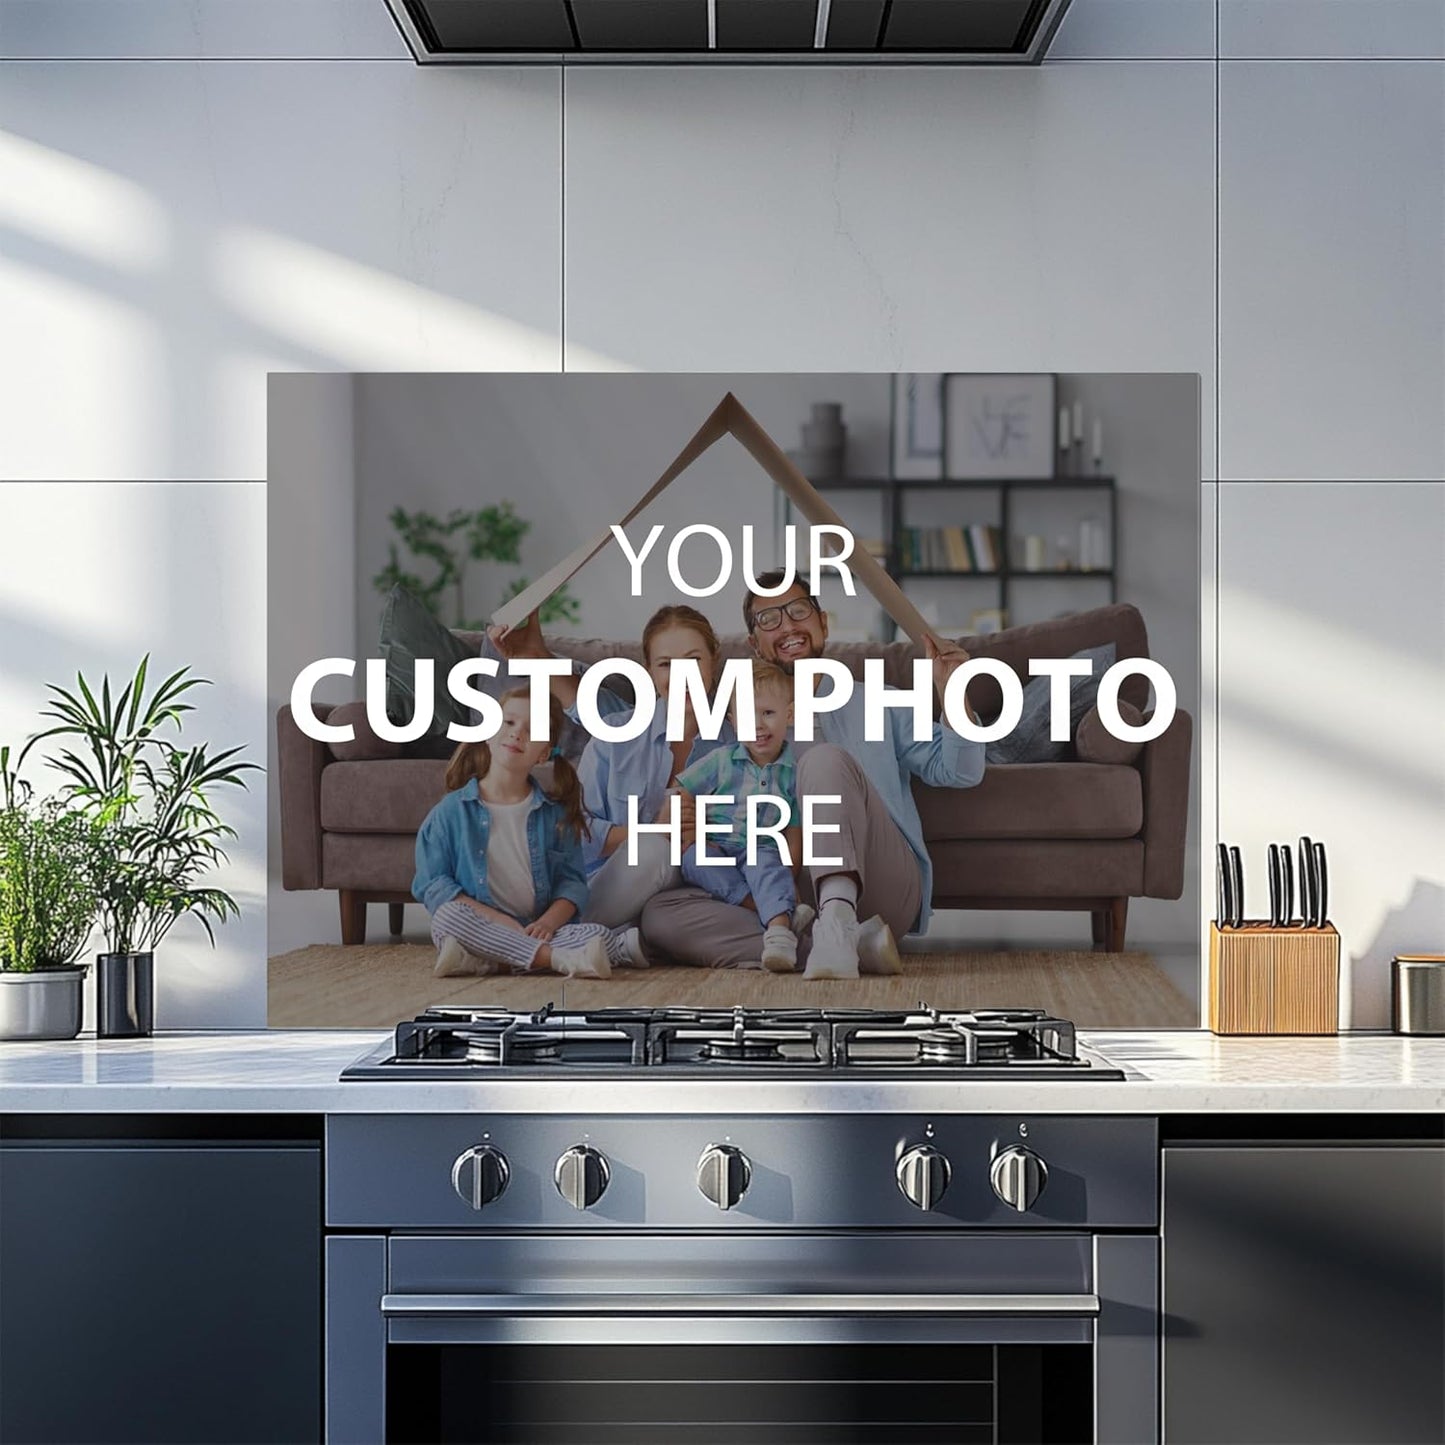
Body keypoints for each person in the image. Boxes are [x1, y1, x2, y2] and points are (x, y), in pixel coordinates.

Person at [641, 571, 986, 980]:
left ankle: (839, 921)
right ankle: (843, 947)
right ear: (754, 644)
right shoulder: (738, 719)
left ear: (823, 623)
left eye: (798, 611)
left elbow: (960, 772)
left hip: (877, 882)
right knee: (660, 917)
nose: (787, 626)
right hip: (782, 893)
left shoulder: (877, 700)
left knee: (823, 760)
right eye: (769, 619)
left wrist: (954, 690)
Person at [487, 604, 732, 956]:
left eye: (693, 661)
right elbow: (575, 832)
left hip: (685, 897)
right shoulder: (616, 734)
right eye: (666, 664)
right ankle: (565, 939)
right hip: (605, 886)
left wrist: (705, 834)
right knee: (652, 849)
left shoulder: (738, 749)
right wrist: (653, 831)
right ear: (649, 670)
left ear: (713, 662)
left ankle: (556, 943)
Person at [413, 687, 620, 979]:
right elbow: (433, 885)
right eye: (508, 722)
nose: (517, 733)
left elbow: (572, 885)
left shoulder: (555, 816)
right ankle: (556, 960)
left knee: (600, 935)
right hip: (477, 924)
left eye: (532, 729)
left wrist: (547, 923)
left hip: (533, 927)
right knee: (447, 918)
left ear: (544, 753)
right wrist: (497, 919)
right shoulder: (450, 812)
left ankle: (491, 962)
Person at [674, 659, 815, 974]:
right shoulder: (722, 760)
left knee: (765, 863)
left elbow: (794, 825)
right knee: (694, 859)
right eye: (749, 715)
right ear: (733, 721)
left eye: (768, 713)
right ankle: (776, 910)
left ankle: (778, 933)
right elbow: (682, 788)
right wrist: (690, 825)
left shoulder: (794, 772)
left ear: (789, 715)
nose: (759, 724)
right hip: (717, 845)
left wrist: (789, 868)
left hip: (760, 847)